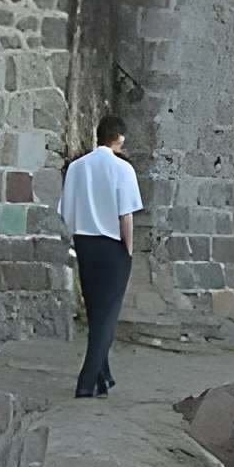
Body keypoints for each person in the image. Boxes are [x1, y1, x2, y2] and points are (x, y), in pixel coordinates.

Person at [60, 113, 143, 398]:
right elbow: (126, 216)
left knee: (96, 311)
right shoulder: (123, 169)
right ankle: (86, 381)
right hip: (112, 245)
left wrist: (79, 235)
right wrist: (129, 250)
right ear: (120, 138)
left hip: (84, 242)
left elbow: (66, 210)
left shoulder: (76, 167)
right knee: (107, 315)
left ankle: (103, 377)